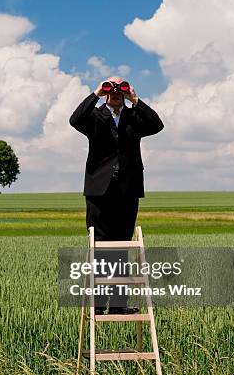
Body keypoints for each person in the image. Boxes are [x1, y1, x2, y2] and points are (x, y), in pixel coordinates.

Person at [69, 76, 164, 314]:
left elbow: (157, 125)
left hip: (127, 189)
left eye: (119, 89)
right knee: (100, 245)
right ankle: (99, 305)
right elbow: (74, 119)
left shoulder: (134, 118)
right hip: (99, 190)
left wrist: (135, 99)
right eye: (111, 89)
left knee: (121, 244)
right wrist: (97, 93)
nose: (115, 92)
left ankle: (119, 305)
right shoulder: (94, 117)